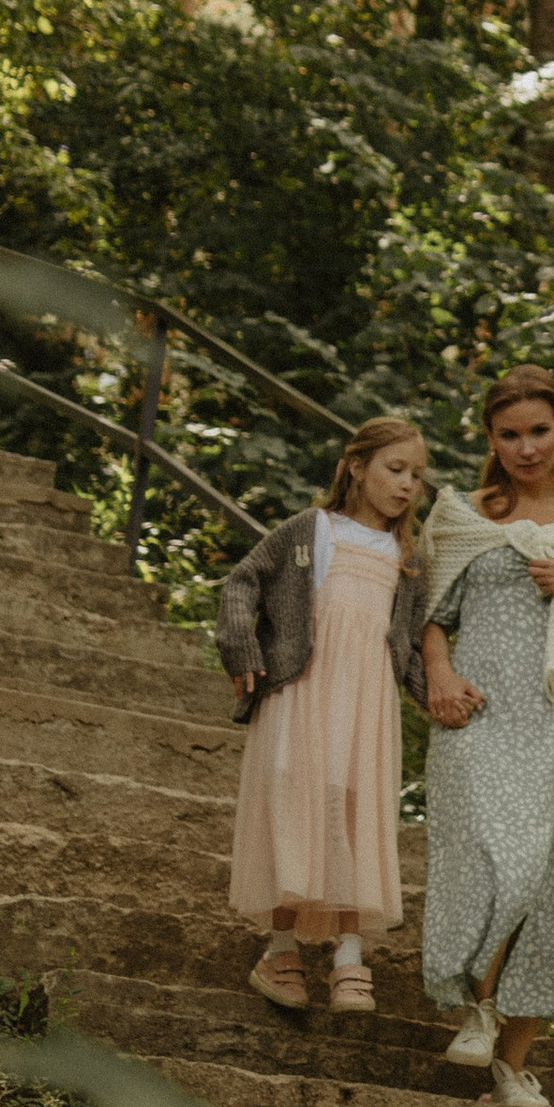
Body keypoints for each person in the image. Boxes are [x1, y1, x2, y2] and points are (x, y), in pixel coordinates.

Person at [419, 364, 554, 1107]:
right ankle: (477, 1007)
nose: (526, 447)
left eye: (538, 431)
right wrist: (440, 676)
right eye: (509, 434)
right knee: (490, 856)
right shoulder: (461, 517)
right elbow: (428, 618)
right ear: (489, 438)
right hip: (474, 714)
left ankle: (513, 1064)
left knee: (548, 884)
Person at [217, 416, 431, 1018]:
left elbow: (409, 643)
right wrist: (242, 649)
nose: (408, 485)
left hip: (367, 706)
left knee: (353, 807)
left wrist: (441, 695)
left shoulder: (406, 556)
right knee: (297, 802)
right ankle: (280, 949)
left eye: (417, 476)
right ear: (356, 467)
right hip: (301, 693)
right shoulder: (311, 530)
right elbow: (243, 581)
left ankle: (348, 953)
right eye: (395, 470)